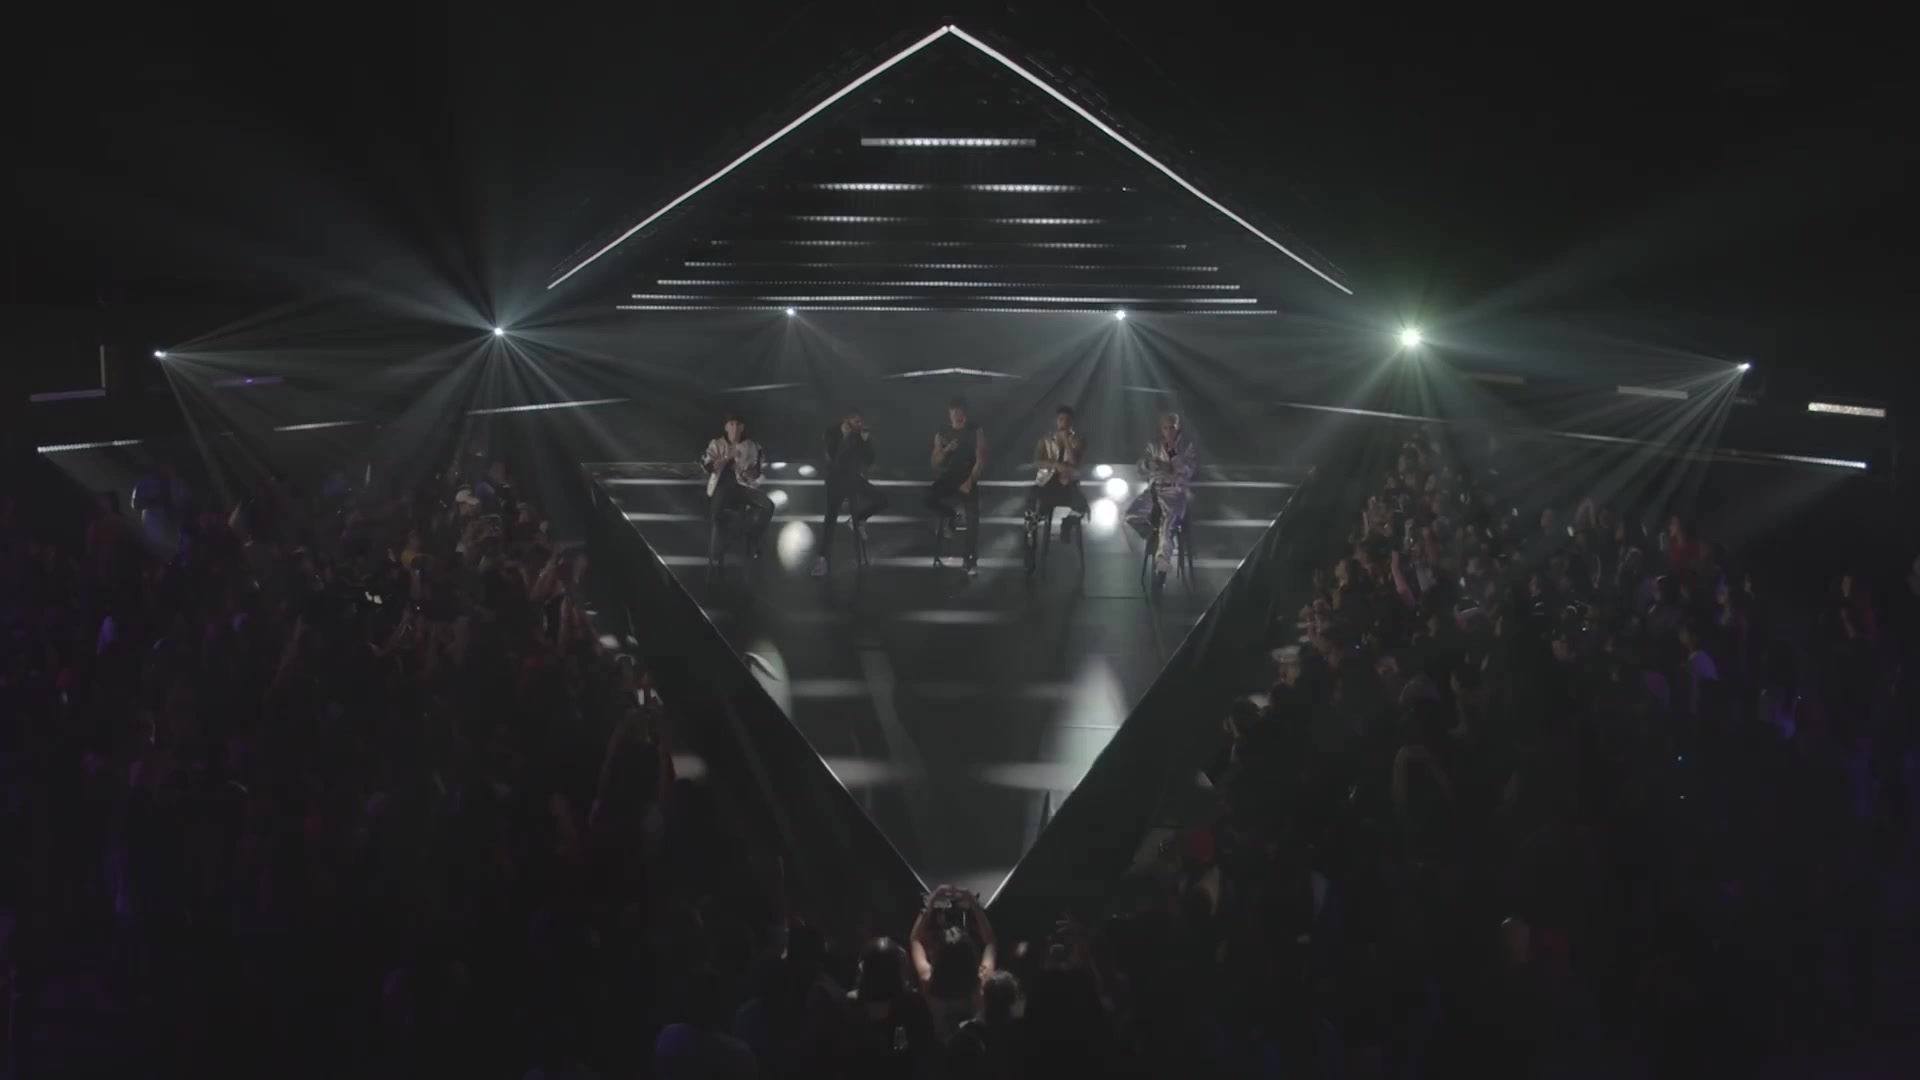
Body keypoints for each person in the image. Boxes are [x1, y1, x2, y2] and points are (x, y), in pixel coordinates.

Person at [815, 408, 888, 577]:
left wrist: (866, 442)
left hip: (853, 479)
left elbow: (869, 461)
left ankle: (858, 519)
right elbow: (835, 459)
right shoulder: (831, 433)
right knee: (830, 519)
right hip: (835, 480)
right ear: (847, 419)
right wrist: (849, 438)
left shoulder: (858, 436)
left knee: (882, 500)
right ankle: (823, 559)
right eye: (857, 421)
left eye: (861, 421)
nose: (860, 424)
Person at [1126, 412, 1196, 584]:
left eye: (1172, 427)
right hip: (1154, 489)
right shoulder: (1153, 446)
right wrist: (1151, 464)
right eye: (1165, 428)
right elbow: (1141, 465)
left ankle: (1161, 565)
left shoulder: (1187, 446)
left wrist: (1172, 459)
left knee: (1167, 525)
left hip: (1175, 492)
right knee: (1131, 515)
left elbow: (1187, 470)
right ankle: (1153, 537)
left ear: (1178, 427)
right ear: (1161, 429)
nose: (1169, 431)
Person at [1023, 404, 1089, 574]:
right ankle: (1029, 558)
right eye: (1061, 420)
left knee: (1082, 507)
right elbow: (1038, 461)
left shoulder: (1078, 440)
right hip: (1046, 484)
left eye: (1067, 421)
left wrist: (1066, 441)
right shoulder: (1045, 440)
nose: (1063, 423)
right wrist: (1056, 465)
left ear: (1072, 423)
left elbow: (1074, 463)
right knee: (1031, 515)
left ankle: (1067, 523)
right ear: (1056, 421)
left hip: (1068, 485)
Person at [702, 413, 774, 564]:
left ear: (742, 427)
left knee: (768, 506)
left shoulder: (751, 446)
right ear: (726, 427)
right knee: (717, 512)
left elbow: (756, 472)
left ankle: (752, 539)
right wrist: (725, 458)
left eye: (737, 425)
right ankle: (717, 552)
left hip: (744, 487)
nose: (734, 429)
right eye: (731, 425)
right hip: (722, 487)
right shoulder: (717, 444)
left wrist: (750, 471)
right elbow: (708, 466)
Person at [926, 397, 986, 575]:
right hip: (949, 477)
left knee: (973, 516)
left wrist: (970, 481)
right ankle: (950, 515)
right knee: (927, 497)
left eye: (962, 414)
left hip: (968, 477)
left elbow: (981, 460)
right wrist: (945, 450)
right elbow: (934, 463)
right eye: (955, 414)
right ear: (950, 415)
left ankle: (970, 559)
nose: (959, 418)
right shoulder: (942, 432)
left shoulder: (976, 431)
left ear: (966, 415)